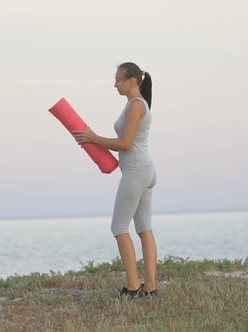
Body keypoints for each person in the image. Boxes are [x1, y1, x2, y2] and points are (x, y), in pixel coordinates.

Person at [72, 62, 158, 297]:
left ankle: (133, 288)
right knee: (144, 228)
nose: (115, 84)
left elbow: (125, 144)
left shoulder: (136, 106)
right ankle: (150, 289)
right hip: (144, 170)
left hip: (137, 172)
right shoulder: (135, 104)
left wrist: (94, 138)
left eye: (118, 80)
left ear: (132, 81)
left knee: (119, 227)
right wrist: (93, 138)